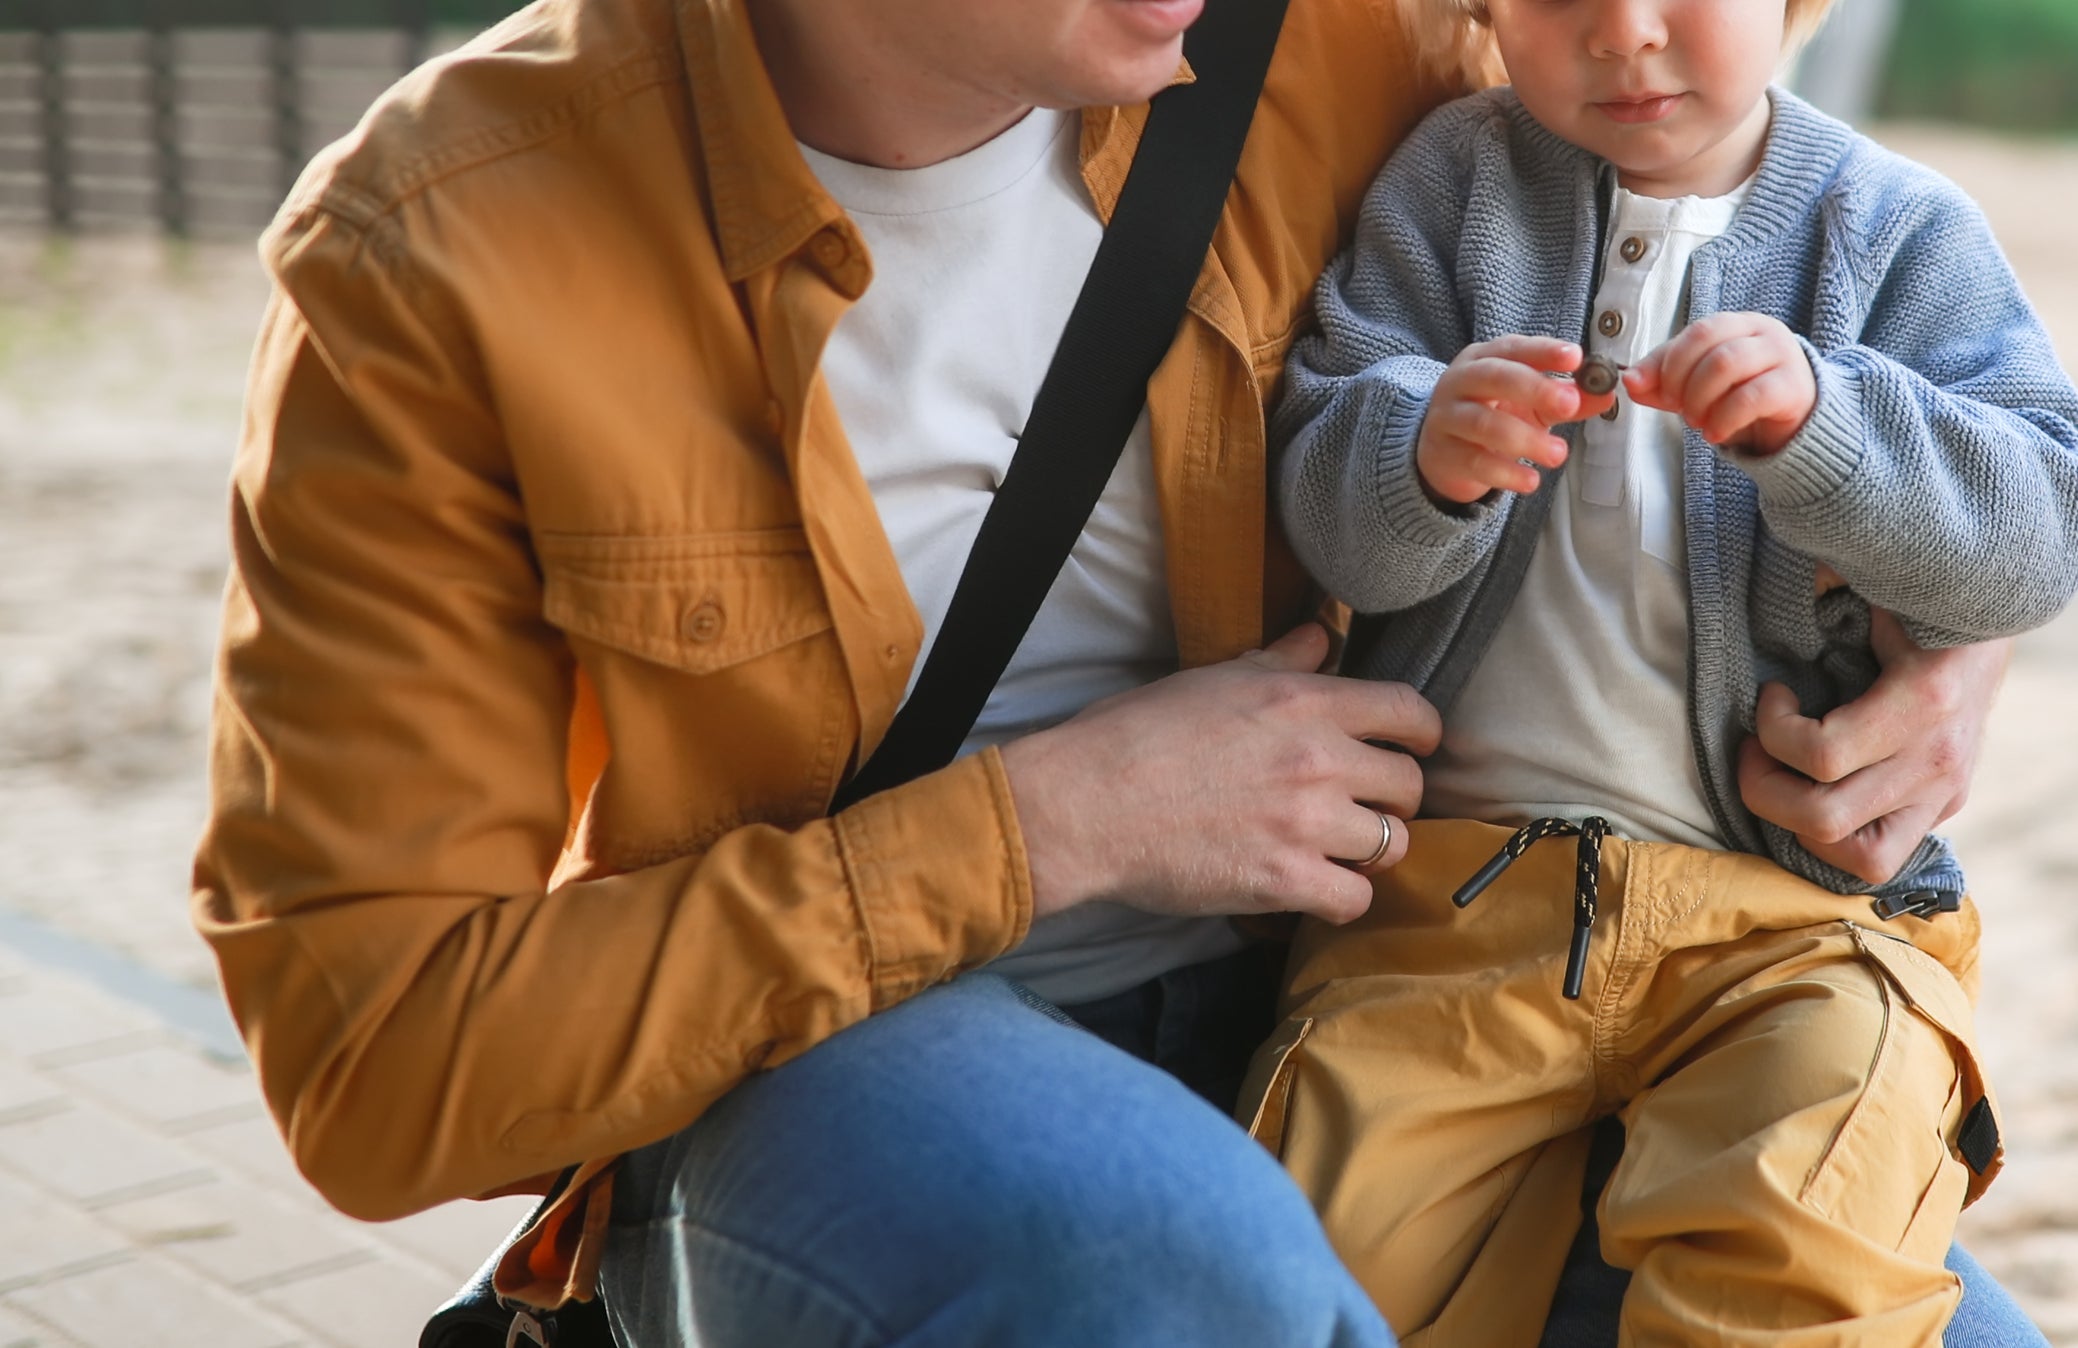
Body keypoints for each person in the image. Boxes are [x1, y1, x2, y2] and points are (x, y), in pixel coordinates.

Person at [189, 0, 2041, 1342]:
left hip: (1408, 960)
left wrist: (1940, 644)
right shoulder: (437, 247)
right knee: (1167, 1275)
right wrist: (1049, 827)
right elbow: (377, 1059)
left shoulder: (1371, 55)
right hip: (832, 1049)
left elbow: (1800, 336)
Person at [1256, 0, 2078, 1339]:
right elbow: (1324, 495)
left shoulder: (1894, 229)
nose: (1622, 32)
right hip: (1449, 915)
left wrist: (1832, 430)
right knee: (1304, 1265)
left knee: (1811, 1215)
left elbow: (2037, 537)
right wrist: (1418, 456)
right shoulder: (1447, 185)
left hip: (1795, 925)